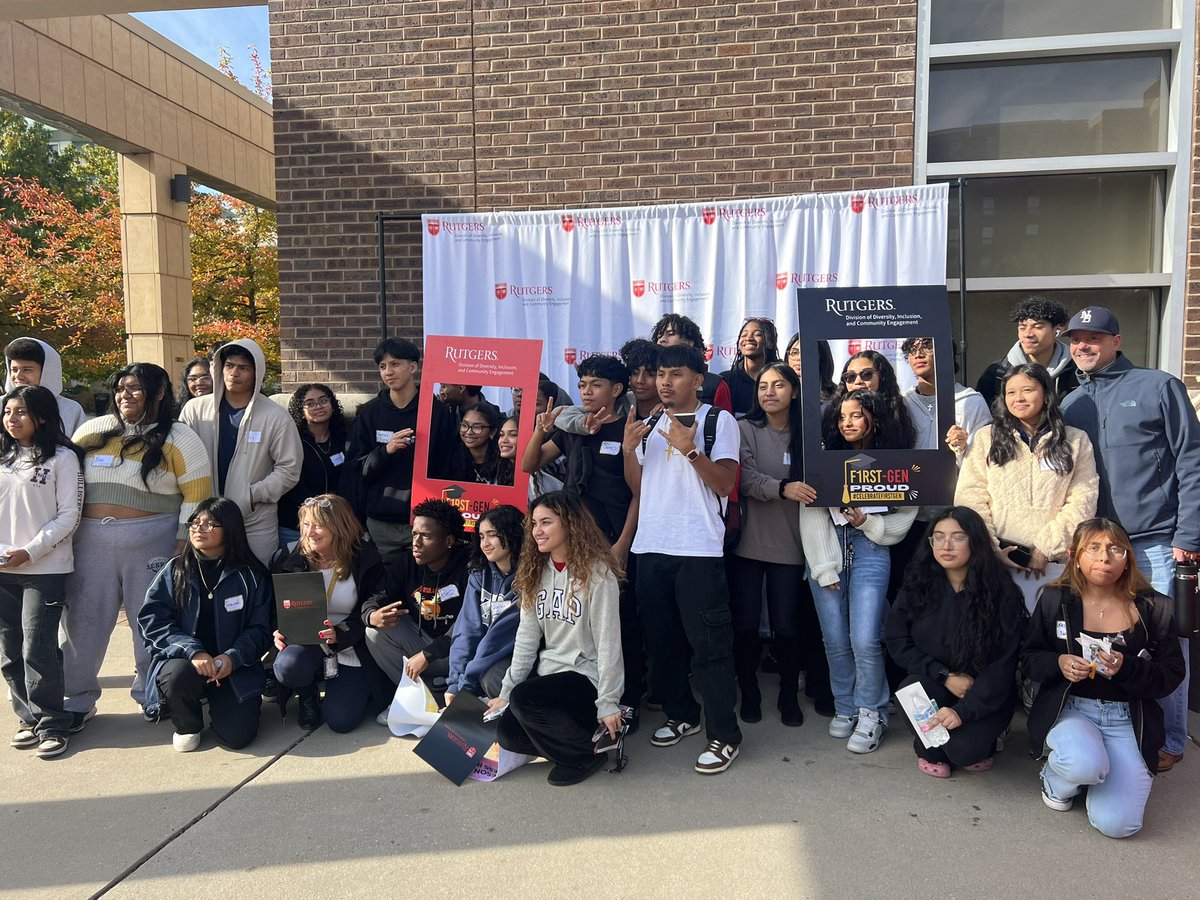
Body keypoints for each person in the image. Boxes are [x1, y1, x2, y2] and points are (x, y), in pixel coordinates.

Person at [1060, 306, 1200, 773]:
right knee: (1099, 635)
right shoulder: (1070, 402)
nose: (1084, 345)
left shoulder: (1158, 386)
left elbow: (1191, 462)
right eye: (1077, 338)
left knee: (1167, 643)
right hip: (1097, 546)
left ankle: (1173, 738)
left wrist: (1190, 534)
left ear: (1116, 341)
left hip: (1156, 540)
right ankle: (1116, 725)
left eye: (1095, 337)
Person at [62, 363, 213, 724]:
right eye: (120, 388)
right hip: (90, 542)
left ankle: (152, 692)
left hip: (154, 541)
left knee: (151, 621)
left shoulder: (180, 437)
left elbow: (197, 490)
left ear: (159, 393)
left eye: (135, 388)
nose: (124, 395)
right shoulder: (92, 430)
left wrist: (183, 539)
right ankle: (76, 698)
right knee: (83, 621)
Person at [1021, 518, 1185, 838]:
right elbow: (1028, 659)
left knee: (1120, 825)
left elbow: (1171, 675)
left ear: (1128, 557)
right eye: (1093, 548)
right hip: (1072, 709)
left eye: (1115, 549)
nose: (1104, 557)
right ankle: (1058, 780)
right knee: (1084, 763)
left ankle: (1096, 773)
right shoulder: (1056, 600)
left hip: (1128, 717)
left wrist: (1127, 668)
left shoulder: (1155, 606)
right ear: (1075, 556)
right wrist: (1059, 663)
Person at [623, 343, 742, 774]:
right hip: (651, 546)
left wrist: (691, 450)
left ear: (698, 379)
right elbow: (639, 487)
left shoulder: (718, 420)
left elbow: (726, 484)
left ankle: (724, 734)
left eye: (675, 374)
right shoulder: (648, 422)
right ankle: (682, 715)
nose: (665, 382)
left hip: (697, 549)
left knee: (709, 647)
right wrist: (628, 449)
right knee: (662, 641)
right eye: (660, 374)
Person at [522, 355, 644, 725]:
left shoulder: (629, 428)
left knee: (622, 624)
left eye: (595, 385)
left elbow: (640, 493)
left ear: (617, 389)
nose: (586, 392)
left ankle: (628, 701)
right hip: (574, 541)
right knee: (586, 623)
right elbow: (530, 463)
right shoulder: (575, 427)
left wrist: (623, 543)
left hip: (614, 537)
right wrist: (541, 429)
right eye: (582, 385)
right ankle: (587, 696)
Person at [800, 390, 918, 753]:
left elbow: (907, 514)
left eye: (856, 415)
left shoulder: (896, 461)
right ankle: (846, 707)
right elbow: (810, 512)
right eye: (841, 417)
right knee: (834, 640)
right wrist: (823, 567)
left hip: (871, 549)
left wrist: (869, 523)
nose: (847, 423)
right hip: (828, 546)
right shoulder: (824, 459)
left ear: (874, 418)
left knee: (865, 638)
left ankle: (872, 712)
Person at [485, 492, 624, 786]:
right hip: (550, 676)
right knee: (507, 733)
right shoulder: (535, 572)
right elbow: (526, 638)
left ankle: (585, 754)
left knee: (526, 699)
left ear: (570, 524)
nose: (537, 531)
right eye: (534, 523)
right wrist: (506, 692)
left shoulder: (599, 574)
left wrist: (608, 702)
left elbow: (609, 642)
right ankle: (580, 741)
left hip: (586, 679)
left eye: (546, 522)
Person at [885, 507, 1025, 777]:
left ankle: (980, 735)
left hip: (981, 692)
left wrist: (964, 711)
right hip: (934, 683)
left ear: (975, 541)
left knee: (964, 752)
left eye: (957, 537)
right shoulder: (918, 584)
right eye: (938, 537)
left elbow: (1004, 664)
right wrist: (944, 676)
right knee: (912, 690)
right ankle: (927, 748)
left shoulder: (1001, 593)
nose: (945, 545)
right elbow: (896, 640)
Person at [729, 361, 829, 724]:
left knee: (787, 625)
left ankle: (789, 694)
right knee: (746, 624)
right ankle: (750, 693)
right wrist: (782, 489)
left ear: (796, 392)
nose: (769, 392)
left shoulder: (809, 433)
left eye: (779, 385)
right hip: (748, 545)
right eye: (763, 386)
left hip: (792, 544)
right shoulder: (743, 428)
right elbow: (744, 478)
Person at [955, 363, 1099, 612]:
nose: (1018, 398)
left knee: (1050, 636)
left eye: (1027, 390)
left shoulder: (1076, 440)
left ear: (1045, 394)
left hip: (1054, 563)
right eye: (1010, 392)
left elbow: (1083, 498)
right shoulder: (986, 438)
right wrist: (992, 549)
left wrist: (1045, 547)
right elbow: (970, 496)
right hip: (998, 561)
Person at [139, 497, 272, 751]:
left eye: (210, 524)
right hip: (187, 663)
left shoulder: (251, 575)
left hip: (233, 668)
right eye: (195, 522)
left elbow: (261, 629)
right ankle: (187, 723)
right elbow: (152, 620)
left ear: (230, 529)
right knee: (176, 676)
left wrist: (232, 658)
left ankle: (222, 700)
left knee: (237, 739)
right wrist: (192, 651)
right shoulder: (175, 569)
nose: (199, 529)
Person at [0, 385, 83, 759]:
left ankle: (52, 721)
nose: (12, 419)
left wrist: (29, 551)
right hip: (3, 568)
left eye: (21, 412)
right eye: (7, 412)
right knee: (9, 646)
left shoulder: (62, 459)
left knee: (38, 646)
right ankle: (28, 717)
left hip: (45, 568)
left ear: (43, 418)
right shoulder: (3, 458)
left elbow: (69, 516)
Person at [270, 494, 389, 732]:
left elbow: (370, 608)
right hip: (306, 641)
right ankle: (307, 697)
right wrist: (277, 629)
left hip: (349, 643)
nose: (310, 532)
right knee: (288, 666)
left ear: (338, 526)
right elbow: (273, 605)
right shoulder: (289, 557)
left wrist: (340, 633)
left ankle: (353, 688)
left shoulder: (364, 557)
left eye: (318, 525)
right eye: (306, 524)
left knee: (340, 721)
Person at [179, 339, 302, 565]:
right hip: (204, 519)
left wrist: (253, 495)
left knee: (256, 584)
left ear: (257, 373)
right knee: (208, 584)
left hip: (254, 520)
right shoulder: (195, 410)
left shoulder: (275, 416)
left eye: (243, 368)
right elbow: (180, 460)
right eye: (229, 366)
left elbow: (289, 469)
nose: (234, 373)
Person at [345, 338, 457, 561]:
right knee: (386, 589)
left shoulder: (437, 412)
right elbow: (355, 468)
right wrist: (385, 451)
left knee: (422, 588)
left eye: (395, 364)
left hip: (425, 521)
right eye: (383, 366)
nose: (388, 372)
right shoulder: (370, 413)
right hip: (380, 523)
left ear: (413, 367)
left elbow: (448, 466)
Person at [361, 499, 472, 695]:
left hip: (461, 652)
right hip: (424, 644)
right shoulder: (405, 562)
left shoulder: (468, 565)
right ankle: (412, 697)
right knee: (375, 632)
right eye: (414, 534)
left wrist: (428, 654)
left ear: (448, 541)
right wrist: (372, 615)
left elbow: (468, 623)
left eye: (426, 536)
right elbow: (379, 596)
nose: (416, 543)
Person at [445, 505, 525, 705]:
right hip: (483, 658)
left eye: (492, 535)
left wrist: (465, 686)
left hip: (517, 659)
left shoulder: (529, 577)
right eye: (481, 536)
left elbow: (496, 640)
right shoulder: (479, 574)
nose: (485, 543)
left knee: (492, 676)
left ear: (512, 534)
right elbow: (467, 630)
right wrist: (455, 684)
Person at [975, 296, 1077, 409]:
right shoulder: (998, 372)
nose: (1028, 334)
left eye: (1038, 327)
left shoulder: (1077, 371)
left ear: (1059, 329)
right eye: (1022, 327)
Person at [277, 384, 347, 548]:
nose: (318, 406)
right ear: (300, 410)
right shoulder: (292, 441)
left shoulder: (343, 438)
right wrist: (319, 514)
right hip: (298, 526)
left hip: (336, 525)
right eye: (310, 403)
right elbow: (291, 484)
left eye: (323, 400)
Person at [900, 337, 990, 455]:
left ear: (946, 352)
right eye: (912, 350)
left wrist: (964, 447)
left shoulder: (971, 402)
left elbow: (985, 456)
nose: (918, 354)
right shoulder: (902, 403)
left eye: (927, 347)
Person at [822, 350, 916, 450]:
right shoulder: (829, 412)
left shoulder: (901, 410)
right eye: (850, 376)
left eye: (867, 374)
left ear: (882, 377)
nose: (858, 381)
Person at [4, 337, 87, 435]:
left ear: (47, 372)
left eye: (27, 370)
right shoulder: (1, 404)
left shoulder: (71, 410)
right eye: (14, 370)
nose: (18, 376)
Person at [651, 313, 733, 412]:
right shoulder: (648, 380)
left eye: (671, 334)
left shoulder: (715, 384)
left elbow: (724, 422)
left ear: (690, 341)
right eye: (659, 336)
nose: (662, 340)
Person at [720, 317, 780, 416]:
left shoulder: (782, 378)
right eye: (744, 335)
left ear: (771, 343)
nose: (748, 339)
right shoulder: (726, 380)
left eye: (758, 334)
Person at [448, 403, 504, 484]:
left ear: (492, 432)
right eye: (464, 425)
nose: (469, 432)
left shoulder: (503, 461)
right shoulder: (453, 458)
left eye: (477, 427)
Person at [783, 333, 836, 403]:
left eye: (806, 353)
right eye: (794, 352)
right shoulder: (781, 393)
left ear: (822, 358)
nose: (799, 358)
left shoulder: (836, 396)